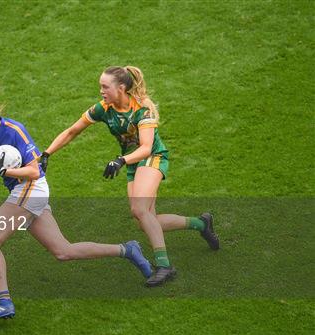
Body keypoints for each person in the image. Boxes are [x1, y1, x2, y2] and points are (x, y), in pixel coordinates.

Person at [0, 82, 153, 322]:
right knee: (63, 251)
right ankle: (127, 249)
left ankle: (4, 301)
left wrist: (8, 172)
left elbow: (34, 172)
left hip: (31, 189)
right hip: (25, 192)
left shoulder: (14, 131)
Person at [40, 66, 219, 287]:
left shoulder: (142, 110)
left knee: (139, 209)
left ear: (121, 88)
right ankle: (202, 224)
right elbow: (72, 131)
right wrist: (47, 152)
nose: (101, 91)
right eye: (100, 87)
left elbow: (145, 147)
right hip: (133, 162)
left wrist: (121, 160)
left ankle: (164, 266)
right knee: (144, 221)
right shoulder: (104, 108)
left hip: (152, 157)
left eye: (105, 87)